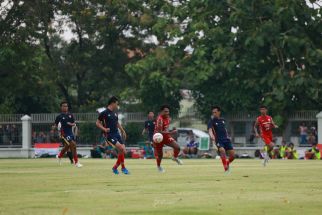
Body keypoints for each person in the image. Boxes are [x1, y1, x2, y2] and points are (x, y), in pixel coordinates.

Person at [96, 96, 130, 175]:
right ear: (112, 103)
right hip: (110, 135)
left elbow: (117, 123)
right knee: (121, 148)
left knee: (123, 151)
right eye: (116, 104)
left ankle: (115, 167)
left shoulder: (115, 113)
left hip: (117, 134)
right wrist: (104, 129)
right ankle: (123, 168)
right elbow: (97, 123)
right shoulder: (104, 113)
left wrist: (122, 130)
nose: (117, 106)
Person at [153, 105, 183, 173]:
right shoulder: (159, 119)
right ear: (161, 112)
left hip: (165, 136)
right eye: (165, 111)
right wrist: (171, 132)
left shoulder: (168, 118)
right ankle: (159, 166)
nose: (167, 113)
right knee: (160, 155)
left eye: (168, 111)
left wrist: (169, 132)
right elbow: (159, 131)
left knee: (177, 147)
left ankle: (175, 157)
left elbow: (165, 128)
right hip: (158, 137)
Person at [54, 101, 82, 167]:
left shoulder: (70, 115)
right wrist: (56, 128)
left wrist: (70, 124)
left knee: (67, 146)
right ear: (61, 107)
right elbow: (55, 125)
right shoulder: (59, 117)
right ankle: (76, 162)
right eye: (64, 106)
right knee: (73, 145)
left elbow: (74, 123)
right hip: (64, 134)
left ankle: (59, 156)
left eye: (66, 106)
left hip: (70, 133)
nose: (65, 107)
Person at [208, 106, 235, 173]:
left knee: (233, 156)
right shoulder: (211, 121)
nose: (214, 114)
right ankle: (225, 168)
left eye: (215, 112)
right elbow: (210, 130)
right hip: (219, 140)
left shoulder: (223, 120)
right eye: (213, 112)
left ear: (219, 112)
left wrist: (228, 136)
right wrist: (211, 136)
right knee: (222, 151)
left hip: (226, 139)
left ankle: (227, 163)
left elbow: (224, 129)